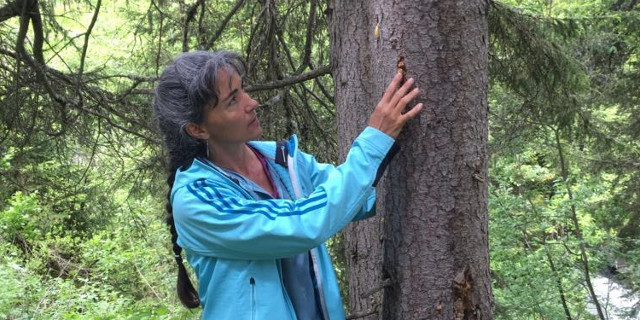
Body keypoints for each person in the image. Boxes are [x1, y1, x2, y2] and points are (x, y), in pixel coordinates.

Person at [152, 50, 423, 320]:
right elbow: (303, 224)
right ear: (197, 129)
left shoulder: (282, 160)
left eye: (243, 89)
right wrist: (374, 140)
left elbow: (357, 199)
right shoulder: (197, 199)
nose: (252, 102)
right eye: (232, 101)